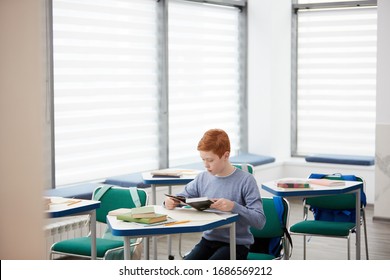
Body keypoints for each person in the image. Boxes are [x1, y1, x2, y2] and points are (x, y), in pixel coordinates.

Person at [164, 128, 266, 260]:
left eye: (210, 160)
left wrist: (234, 207)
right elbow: (181, 197)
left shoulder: (246, 180)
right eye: (203, 159)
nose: (206, 165)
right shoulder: (202, 178)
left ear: (225, 156)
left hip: (236, 244)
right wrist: (170, 202)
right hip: (208, 241)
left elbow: (260, 221)